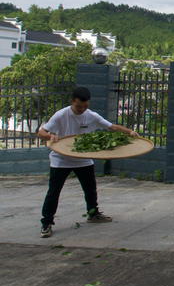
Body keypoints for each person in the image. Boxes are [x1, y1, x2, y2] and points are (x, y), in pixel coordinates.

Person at [36, 87, 139, 238]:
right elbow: (41, 132)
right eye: (79, 106)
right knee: (53, 192)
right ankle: (46, 223)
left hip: (83, 159)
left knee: (90, 189)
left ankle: (93, 213)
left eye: (86, 106)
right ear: (72, 101)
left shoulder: (91, 116)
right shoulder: (61, 115)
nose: (82, 109)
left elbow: (112, 127)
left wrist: (129, 132)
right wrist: (49, 138)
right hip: (61, 160)